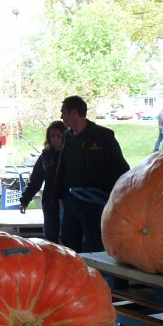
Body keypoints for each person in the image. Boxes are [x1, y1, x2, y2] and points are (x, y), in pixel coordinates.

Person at [53, 96, 130, 253]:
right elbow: (62, 166)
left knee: (94, 244)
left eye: (63, 112)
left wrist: (119, 198)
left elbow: (121, 168)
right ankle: (72, 275)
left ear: (75, 113)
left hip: (94, 203)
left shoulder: (103, 136)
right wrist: (57, 195)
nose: (61, 116)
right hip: (71, 201)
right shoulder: (67, 136)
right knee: (69, 242)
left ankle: (96, 275)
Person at [19, 120, 67, 243]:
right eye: (52, 136)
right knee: (50, 236)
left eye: (58, 136)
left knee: (68, 235)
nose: (55, 139)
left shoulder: (70, 153)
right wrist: (25, 200)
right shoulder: (46, 155)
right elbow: (36, 179)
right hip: (50, 200)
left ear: (64, 136)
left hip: (68, 200)